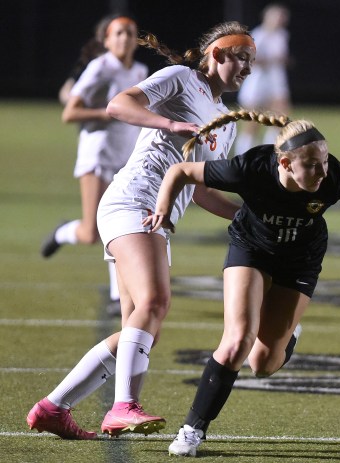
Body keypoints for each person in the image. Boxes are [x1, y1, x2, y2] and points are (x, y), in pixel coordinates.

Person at [27, 21, 260, 440]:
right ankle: (123, 406)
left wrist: (250, 214)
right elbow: (118, 105)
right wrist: (169, 125)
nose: (247, 68)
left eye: (252, 61)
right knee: (154, 302)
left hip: (154, 218)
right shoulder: (182, 79)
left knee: (139, 322)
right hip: (132, 201)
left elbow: (202, 191)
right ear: (218, 54)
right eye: (242, 58)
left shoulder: (226, 123)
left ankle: (52, 407)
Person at [142, 116, 340, 457]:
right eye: (313, 165)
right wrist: (163, 208)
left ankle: (289, 335)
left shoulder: (334, 176)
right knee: (237, 341)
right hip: (251, 247)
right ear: (284, 163)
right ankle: (192, 429)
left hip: (301, 259)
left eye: (324, 162)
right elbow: (181, 172)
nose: (323, 172)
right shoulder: (250, 169)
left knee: (262, 364)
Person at [41, 15, 148, 316]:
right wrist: (110, 112)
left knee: (118, 227)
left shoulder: (140, 70)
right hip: (97, 156)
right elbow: (69, 113)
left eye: (130, 33)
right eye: (119, 33)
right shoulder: (99, 68)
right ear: (107, 40)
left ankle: (118, 296)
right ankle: (64, 231)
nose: (125, 39)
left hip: (125, 160)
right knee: (91, 234)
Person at [234, 3, 292, 155]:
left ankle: (270, 152)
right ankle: (243, 154)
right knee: (253, 122)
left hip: (276, 81)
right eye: (278, 17)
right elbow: (250, 59)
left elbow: (281, 58)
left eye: (282, 18)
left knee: (280, 118)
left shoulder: (282, 35)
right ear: (268, 18)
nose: (280, 21)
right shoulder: (258, 35)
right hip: (257, 83)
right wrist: (270, 60)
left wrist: (282, 60)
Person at [57, 16, 108, 105]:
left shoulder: (134, 65)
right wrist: (73, 102)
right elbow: (66, 90)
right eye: (102, 34)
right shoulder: (91, 59)